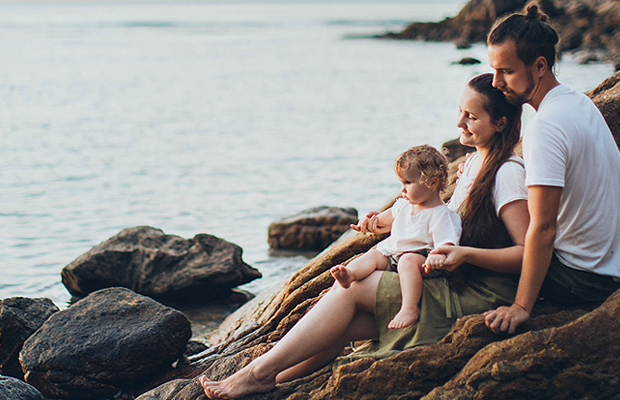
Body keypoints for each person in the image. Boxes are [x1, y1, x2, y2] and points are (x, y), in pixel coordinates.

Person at [199, 73, 529, 399]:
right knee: (349, 321)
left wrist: (467, 256)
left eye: (471, 116)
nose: (459, 123)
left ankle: (257, 373)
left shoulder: (507, 174)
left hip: (477, 292)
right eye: (459, 111)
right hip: (451, 277)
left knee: (350, 289)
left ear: (500, 123)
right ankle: (277, 378)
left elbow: (527, 254)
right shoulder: (472, 163)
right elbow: (438, 216)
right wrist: (388, 223)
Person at [480, 4, 620, 335]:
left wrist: (521, 307)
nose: (496, 82)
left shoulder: (544, 127)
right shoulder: (575, 100)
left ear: (539, 66)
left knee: (486, 229)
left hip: (589, 278)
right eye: (494, 70)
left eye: (506, 71)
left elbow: (543, 229)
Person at [330, 145, 461, 330]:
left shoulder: (442, 215)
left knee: (407, 261)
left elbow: (447, 243)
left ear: (432, 183)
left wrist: (437, 256)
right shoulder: (404, 206)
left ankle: (409, 308)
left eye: (408, 183)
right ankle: (351, 275)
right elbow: (383, 219)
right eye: (401, 184)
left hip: (422, 261)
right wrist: (367, 223)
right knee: (374, 254)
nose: (402, 190)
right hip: (394, 256)